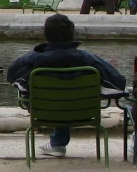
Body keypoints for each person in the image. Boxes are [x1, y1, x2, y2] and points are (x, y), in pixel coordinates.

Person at [8, 13, 126, 157]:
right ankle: (57, 142)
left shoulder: (32, 60)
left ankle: (57, 143)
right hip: (84, 112)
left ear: (46, 35)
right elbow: (118, 84)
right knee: (67, 96)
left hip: (43, 112)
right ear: (72, 34)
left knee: (48, 95)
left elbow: (11, 76)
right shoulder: (89, 60)